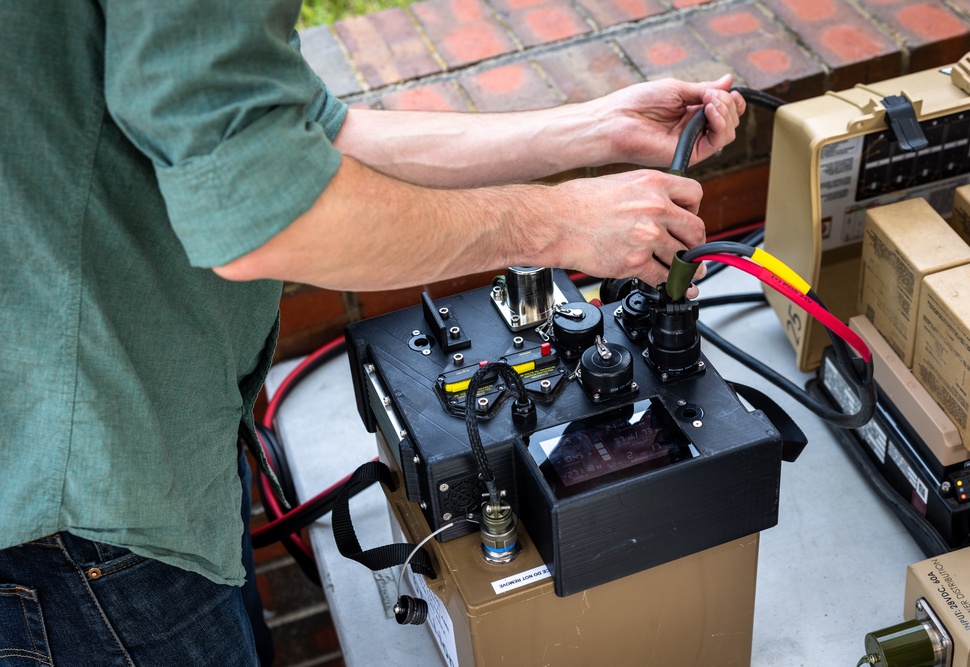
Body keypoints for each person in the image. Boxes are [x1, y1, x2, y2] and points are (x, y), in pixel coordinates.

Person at [0, 1, 745, 665]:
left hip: (135, 448)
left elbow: (318, 138)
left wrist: (595, 127)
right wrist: (561, 223)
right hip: (83, 512)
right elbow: (266, 211)